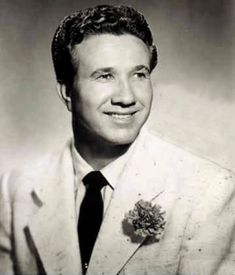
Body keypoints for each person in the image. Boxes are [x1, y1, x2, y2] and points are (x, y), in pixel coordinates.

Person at [0, 4, 234, 275]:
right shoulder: (14, 189)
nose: (127, 97)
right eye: (105, 76)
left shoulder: (210, 190)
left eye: (139, 74)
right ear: (66, 92)